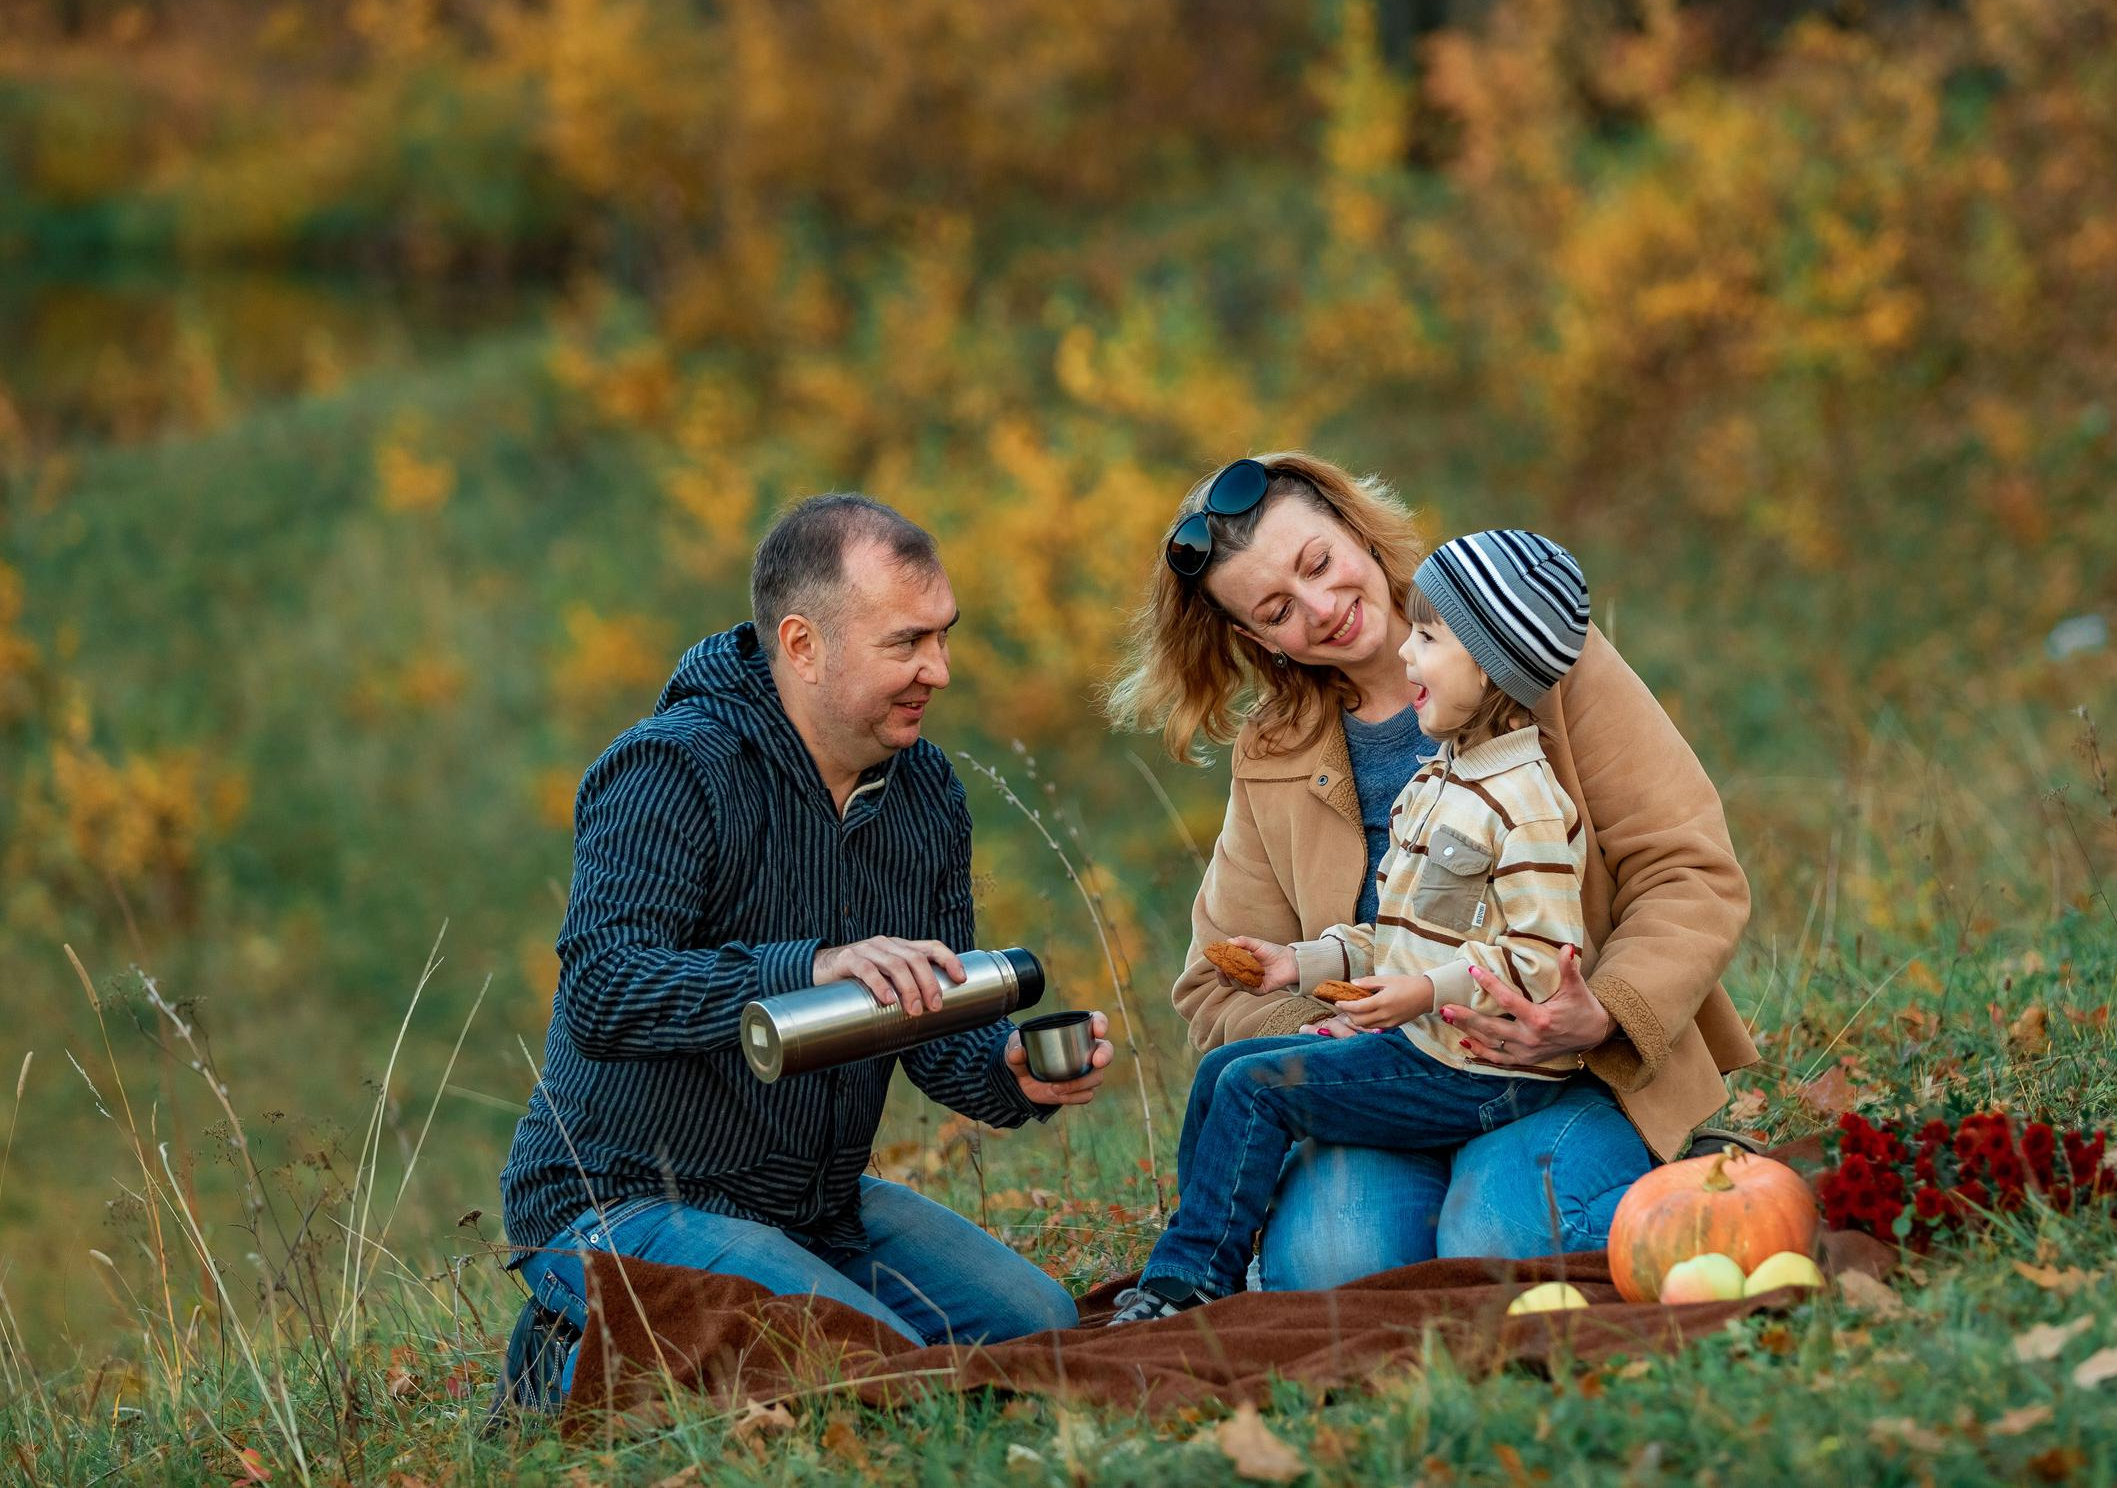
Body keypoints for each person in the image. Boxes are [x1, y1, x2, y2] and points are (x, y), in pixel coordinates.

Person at [496, 494, 1112, 1410]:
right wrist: (807, 966)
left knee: (1043, 1329)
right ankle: (565, 1346)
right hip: (618, 1201)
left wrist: (1008, 1071)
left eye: (944, 635)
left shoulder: (927, 791)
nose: (938, 670)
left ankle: (711, 1324)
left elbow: (927, 1018)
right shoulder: (671, 769)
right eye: (906, 643)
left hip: (814, 1208)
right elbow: (605, 988)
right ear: (802, 643)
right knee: (875, 1371)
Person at [1110, 454, 1758, 1287]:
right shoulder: (1271, 755)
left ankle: (1671, 1170)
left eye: (1319, 563)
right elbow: (1216, 980)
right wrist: (1324, 1029)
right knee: (1331, 1267)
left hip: (1569, 1069)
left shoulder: (1528, 642)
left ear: (1357, 530)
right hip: (1392, 1083)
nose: (1322, 608)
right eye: (1278, 608)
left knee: (1499, 1239)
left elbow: (1688, 868)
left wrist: (1605, 1011)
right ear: (1254, 638)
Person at [1113, 531, 1593, 1322]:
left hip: (1484, 1067)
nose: (1410, 653)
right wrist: (1298, 966)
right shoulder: (1444, 779)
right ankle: (1191, 1256)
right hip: (1424, 1042)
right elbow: (1411, 931)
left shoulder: (1523, 799)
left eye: (1431, 640)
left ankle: (1190, 1282)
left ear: (1493, 666)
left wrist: (1420, 993)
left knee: (1257, 1088)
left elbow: (1540, 959)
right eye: (1276, 608)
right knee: (1223, 1073)